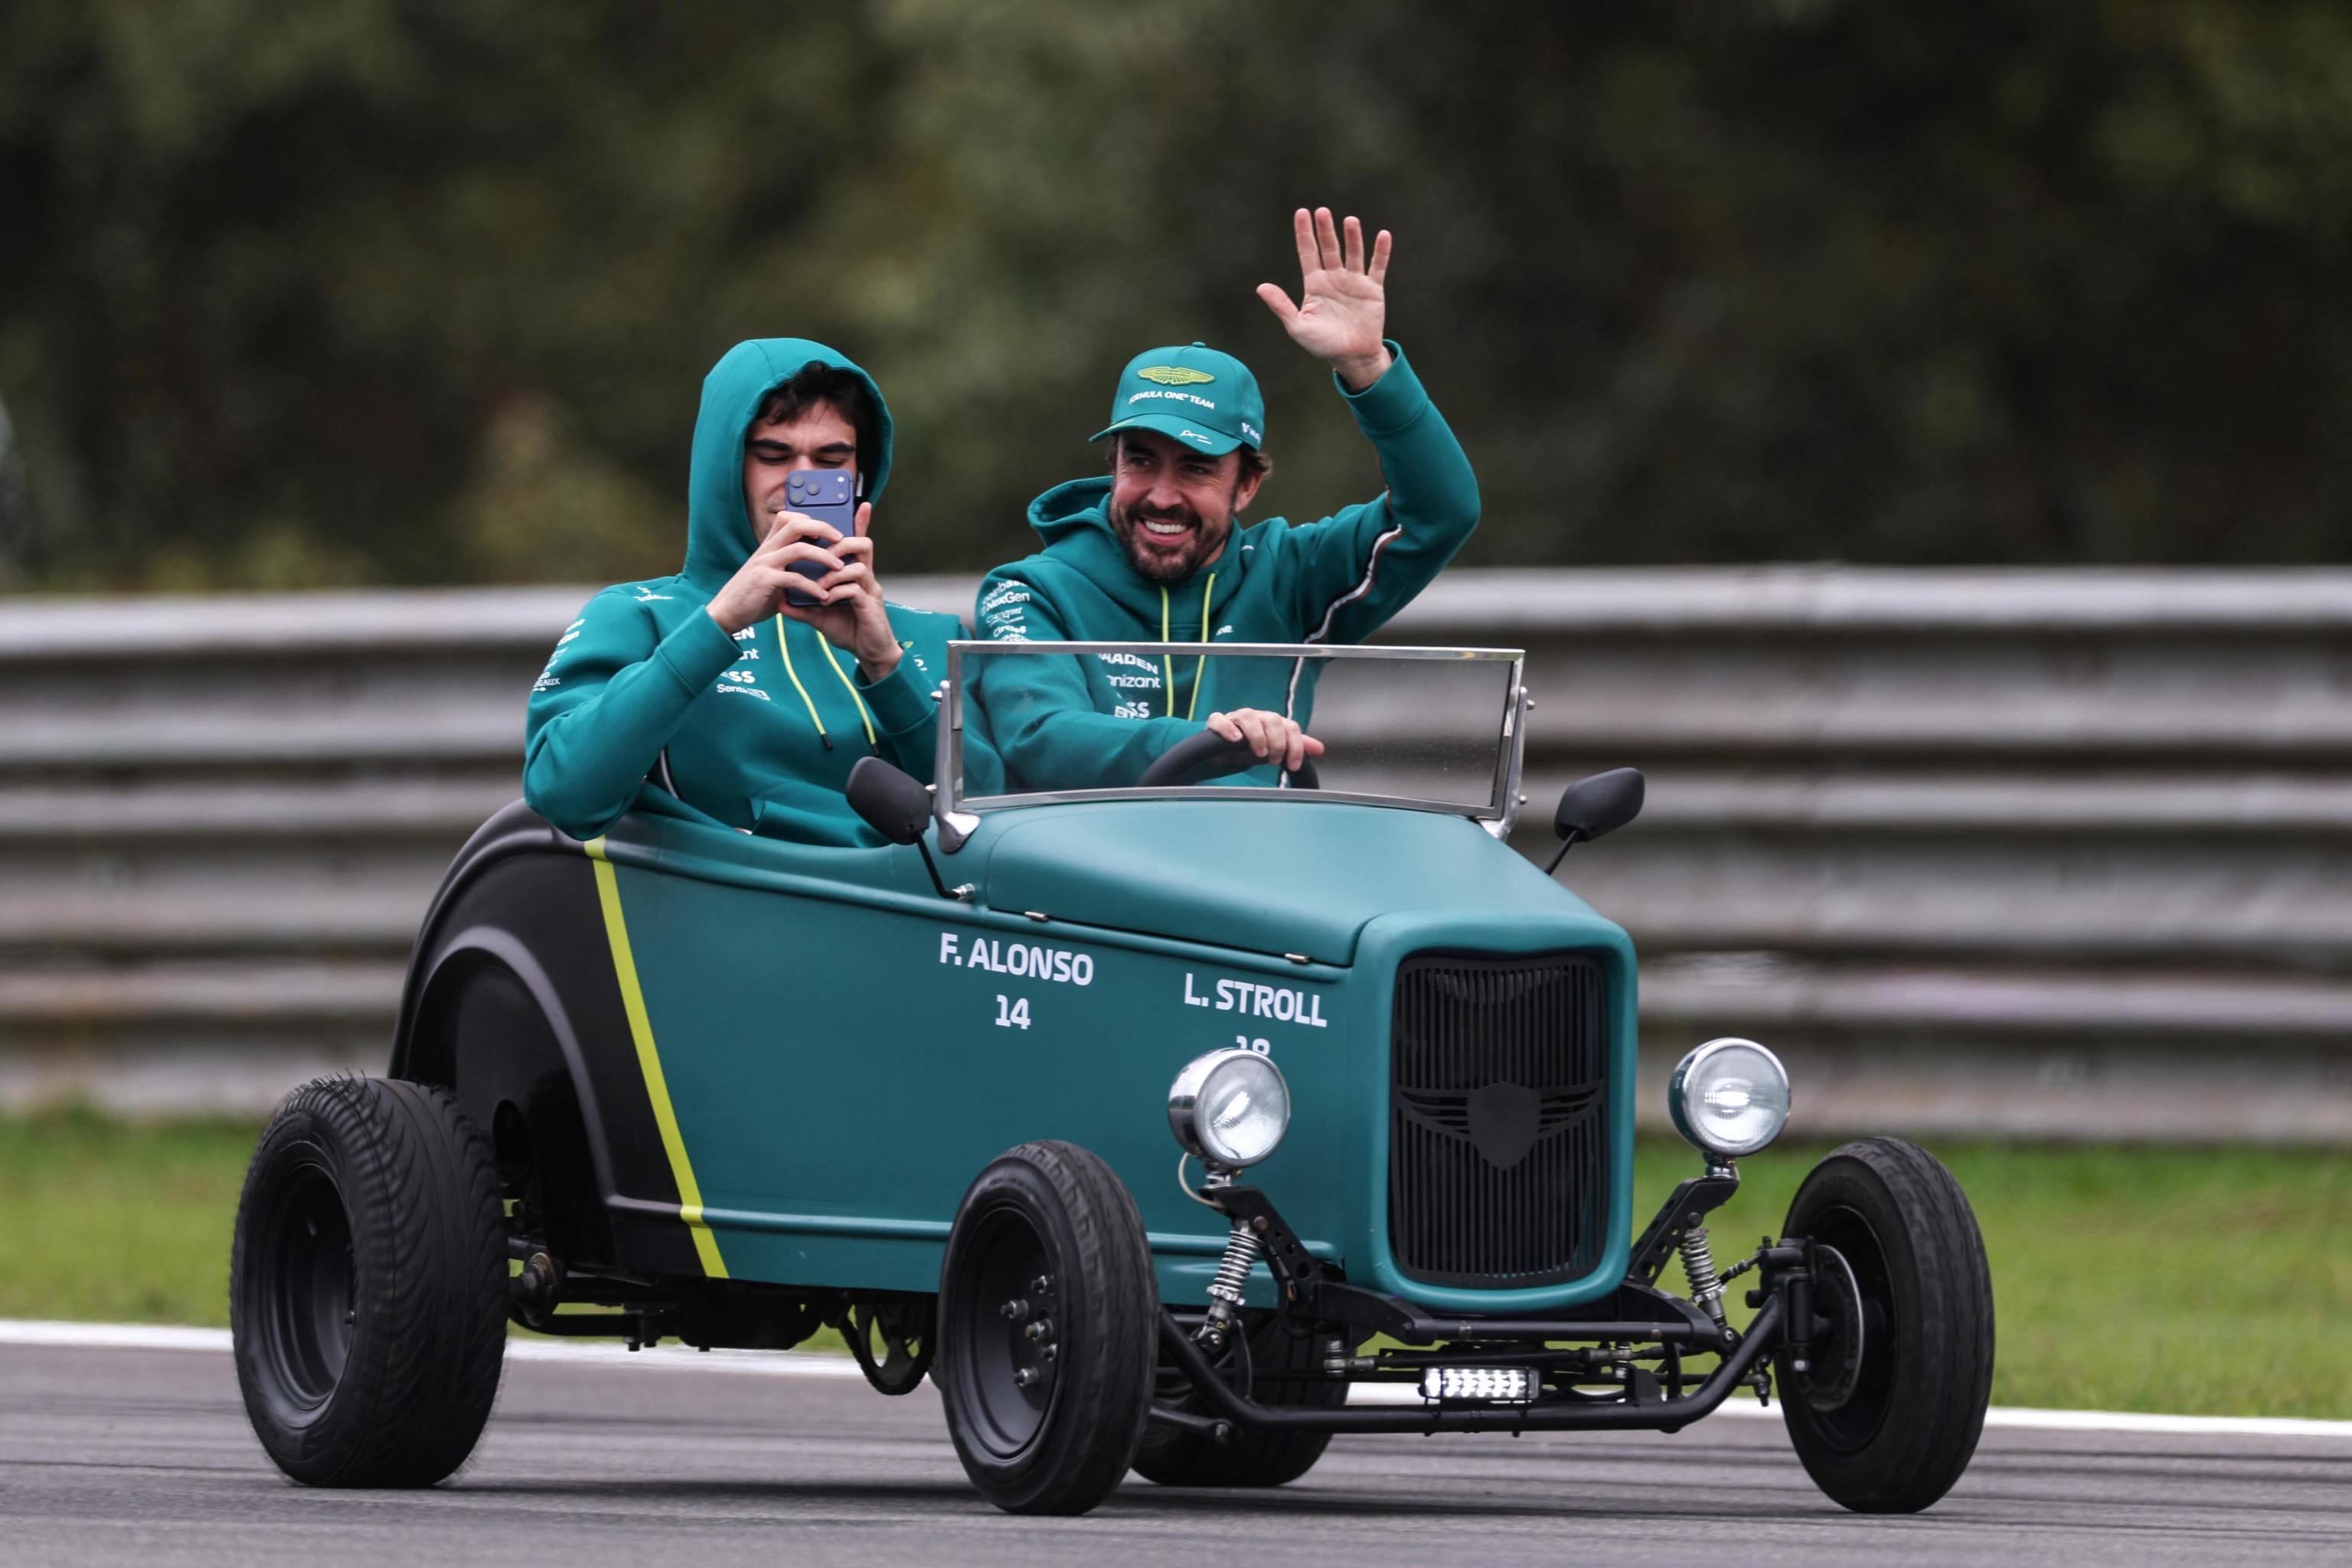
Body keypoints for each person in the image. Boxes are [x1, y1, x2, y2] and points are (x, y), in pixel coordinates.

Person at [973, 207, 1479, 792]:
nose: (1163, 495)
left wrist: (1368, 368)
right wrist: (1214, 741)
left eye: (1196, 469)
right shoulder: (1028, 589)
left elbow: (1442, 513)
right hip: (1089, 875)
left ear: (1247, 486)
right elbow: (1038, 738)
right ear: (1112, 464)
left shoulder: (1292, 576)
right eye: (1140, 460)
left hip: (1250, 869)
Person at [524, 338, 967, 845]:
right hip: (737, 912)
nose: (802, 482)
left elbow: (1003, 833)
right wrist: (715, 625)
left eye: (831, 460)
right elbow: (563, 797)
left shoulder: (931, 636)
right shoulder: (638, 618)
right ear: (725, 466)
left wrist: (887, 667)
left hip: (909, 915)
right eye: (774, 454)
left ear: (860, 477)